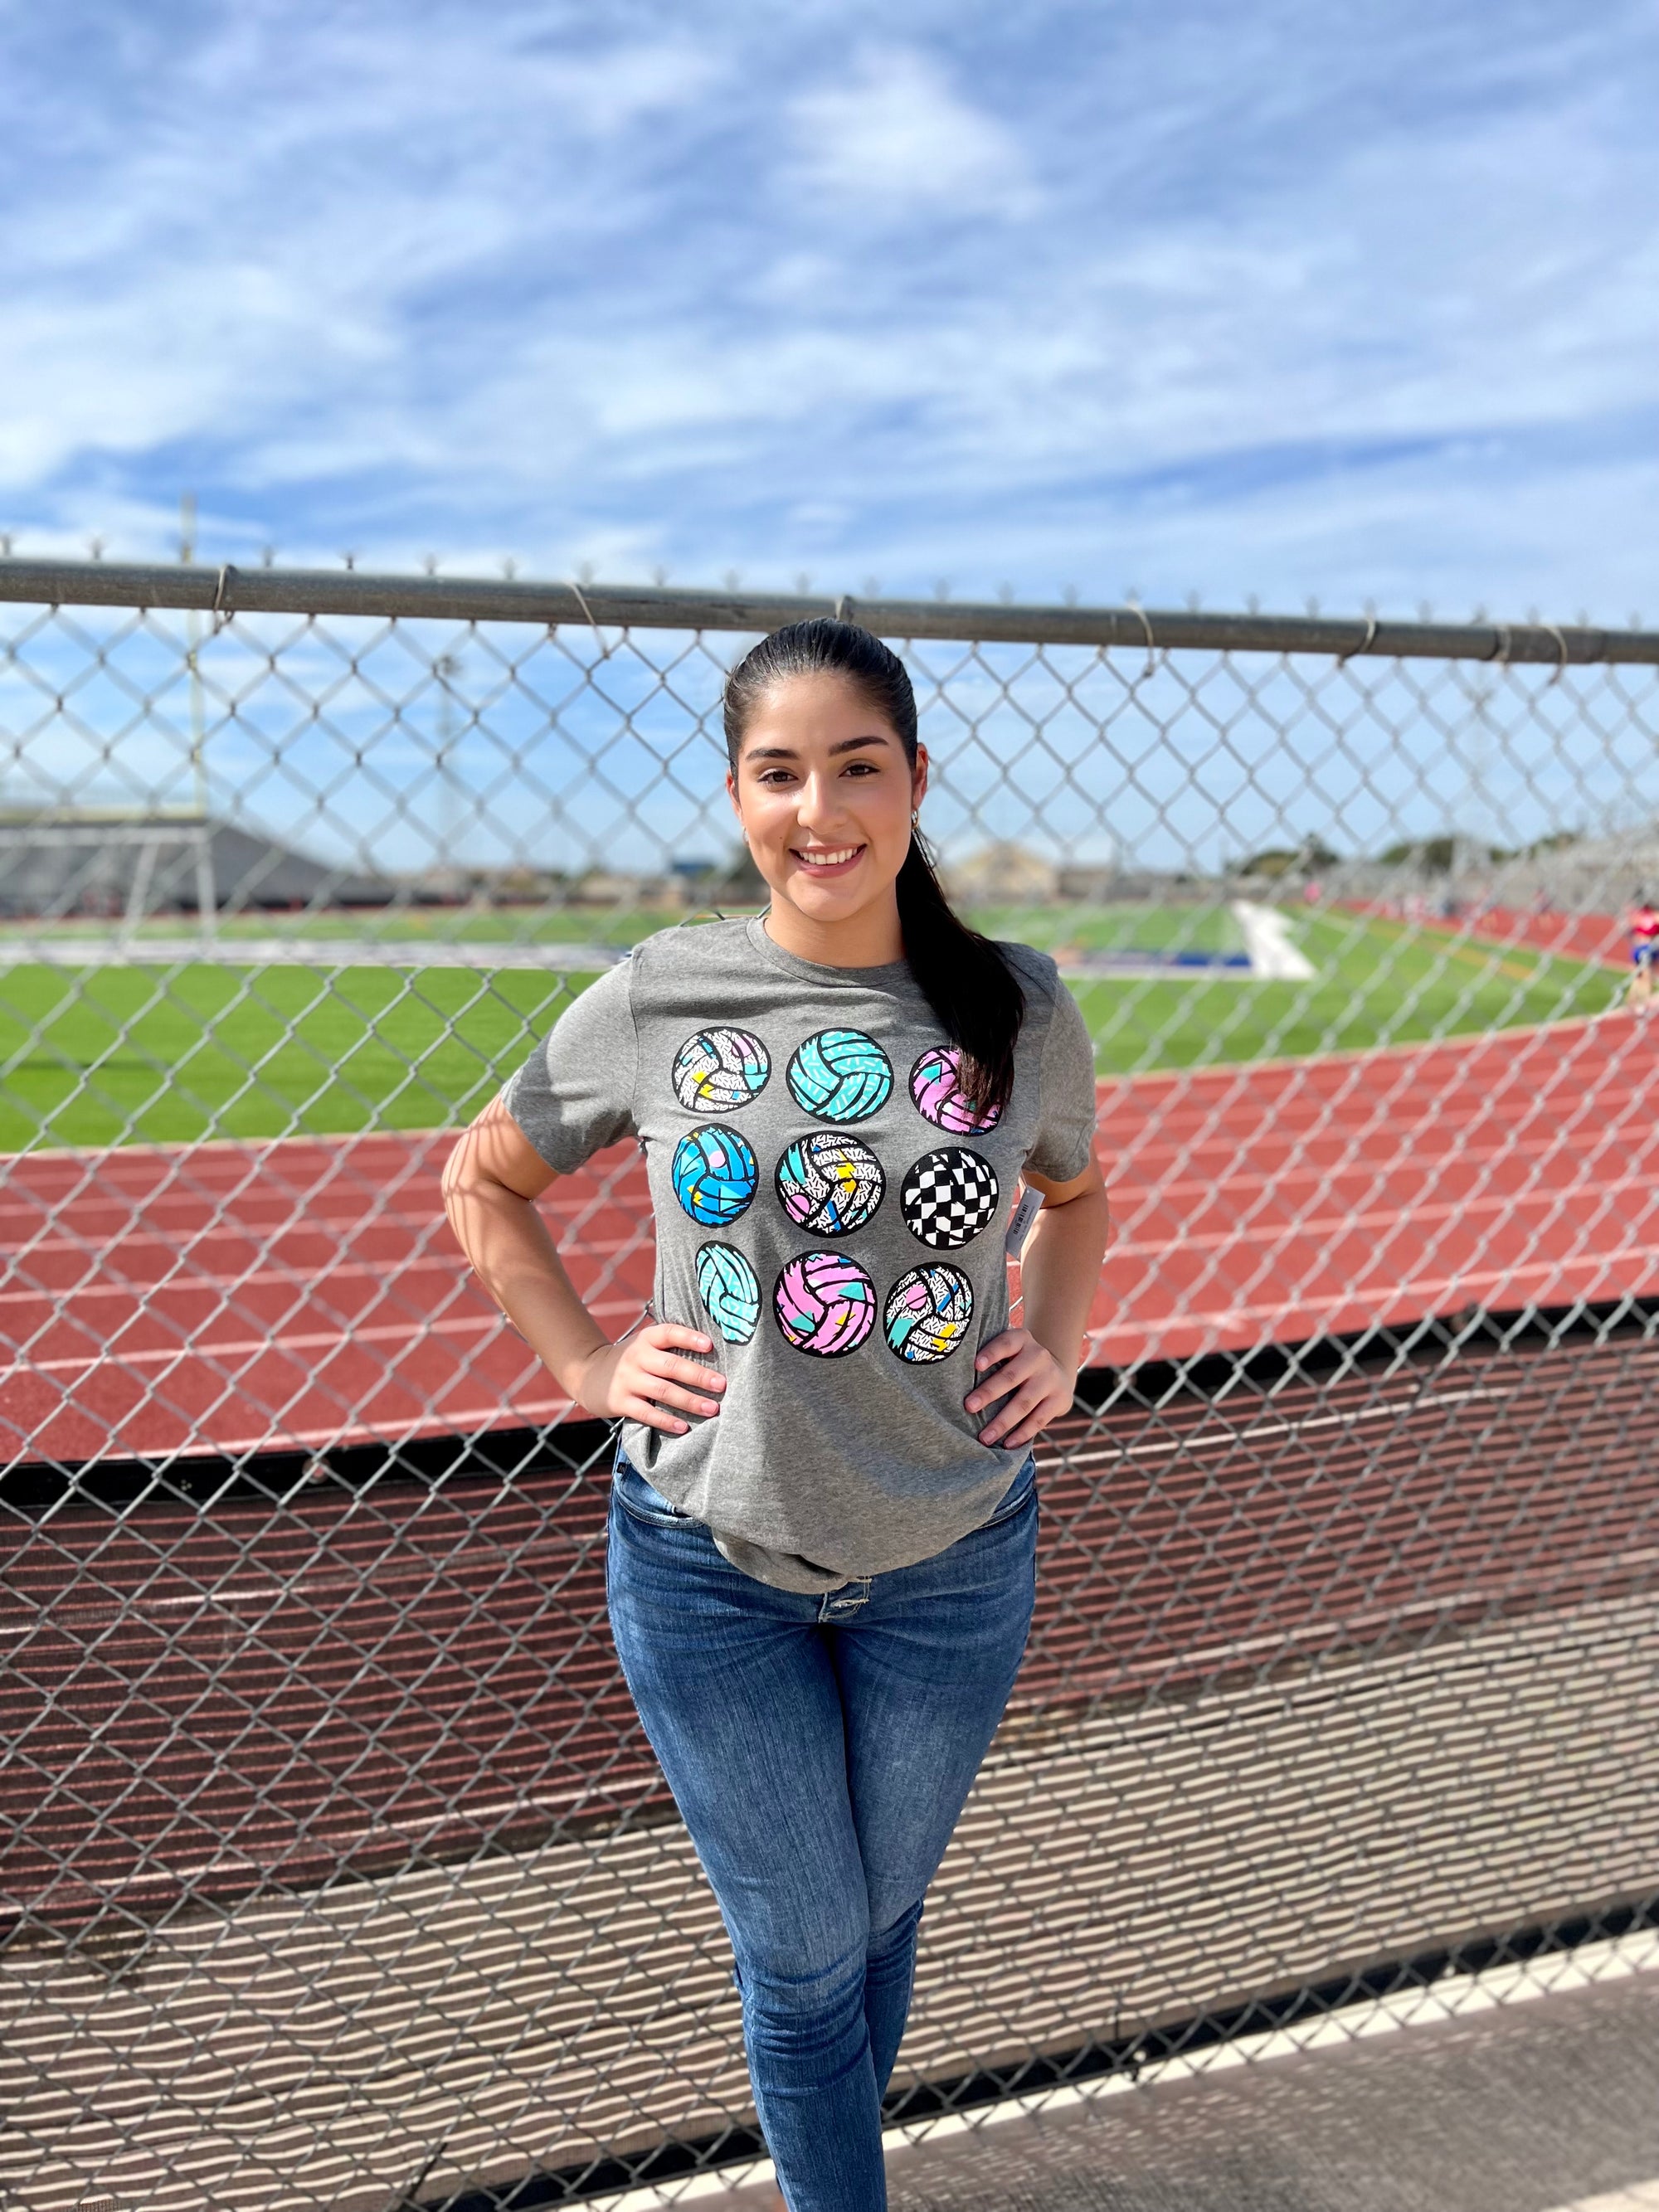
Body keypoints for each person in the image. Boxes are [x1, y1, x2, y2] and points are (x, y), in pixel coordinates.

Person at [442, 620, 1112, 2211]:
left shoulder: (1015, 1003)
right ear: (740, 793)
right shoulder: (667, 993)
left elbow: (1074, 1200)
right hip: (707, 1560)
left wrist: (1058, 1344)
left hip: (953, 1560)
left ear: (916, 782)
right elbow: (484, 1180)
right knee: (807, 1956)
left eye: (856, 767)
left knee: (878, 1921)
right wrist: (586, 1368)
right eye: (780, 771)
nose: (821, 807)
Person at [1629, 891, 1658, 1011]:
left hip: (1640, 946)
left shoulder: (1639, 915)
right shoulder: (1652, 915)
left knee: (1639, 974)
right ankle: (1643, 1002)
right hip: (1647, 947)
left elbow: (1633, 930)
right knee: (1646, 975)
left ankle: (1633, 999)